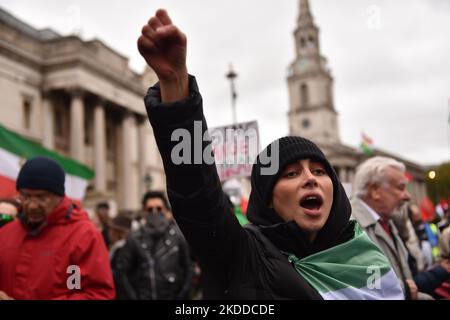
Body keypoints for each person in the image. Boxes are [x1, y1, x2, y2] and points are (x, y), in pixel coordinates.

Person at [137, 9, 403, 299]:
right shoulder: (245, 258)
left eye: (319, 170)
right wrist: (176, 86)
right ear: (268, 200)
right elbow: (196, 197)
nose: (309, 179)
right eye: (290, 173)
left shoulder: (367, 256)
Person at [0, 157, 115, 300]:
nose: (32, 205)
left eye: (41, 197)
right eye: (25, 196)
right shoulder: (5, 233)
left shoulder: (83, 236)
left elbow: (96, 294)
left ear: (59, 197)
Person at [114, 191, 193, 299]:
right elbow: (121, 271)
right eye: (150, 209)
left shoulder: (177, 237)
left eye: (159, 208)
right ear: (144, 212)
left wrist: (182, 294)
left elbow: (188, 267)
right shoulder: (135, 238)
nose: (155, 212)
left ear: (165, 210)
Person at [108, 212, 133, 300]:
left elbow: (120, 276)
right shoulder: (119, 248)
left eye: (111, 229)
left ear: (117, 232)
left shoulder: (121, 250)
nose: (109, 233)